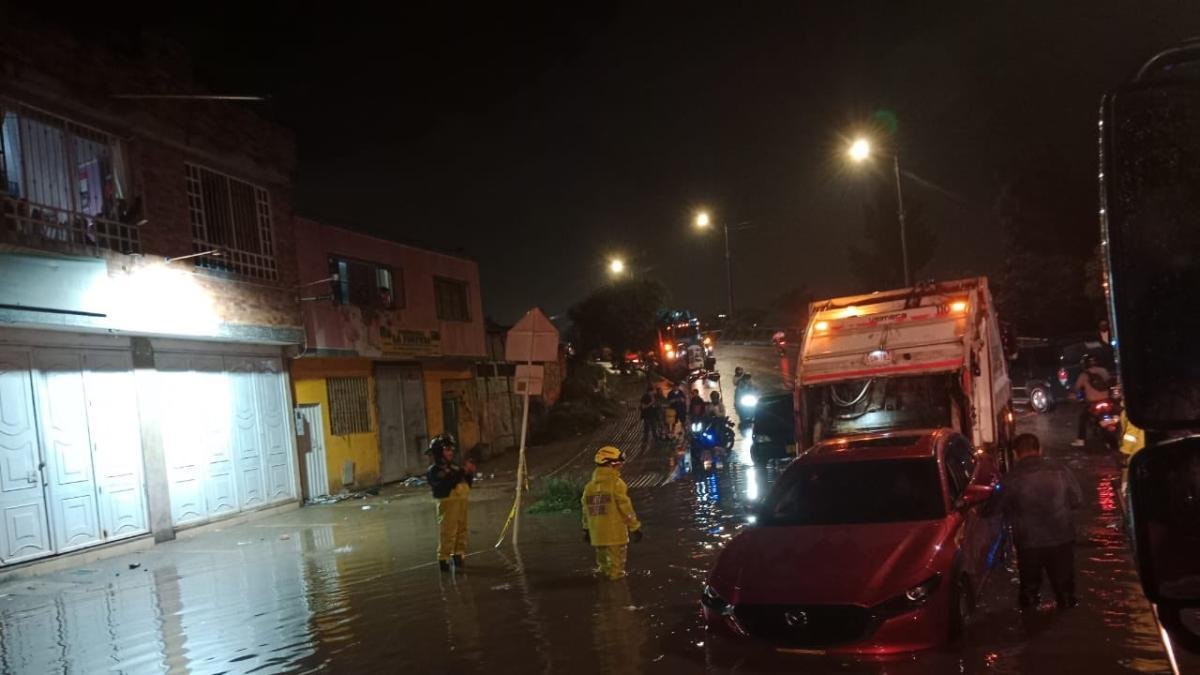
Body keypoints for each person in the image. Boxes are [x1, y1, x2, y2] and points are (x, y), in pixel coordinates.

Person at [999, 433, 1083, 609]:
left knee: (1029, 594)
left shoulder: (1010, 478)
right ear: (1040, 449)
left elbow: (996, 509)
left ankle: (1029, 629)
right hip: (1062, 539)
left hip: (1028, 544)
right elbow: (1077, 500)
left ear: (1015, 453)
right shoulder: (1061, 471)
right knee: (1066, 594)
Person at [581, 446, 643, 580]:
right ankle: (618, 598)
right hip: (615, 536)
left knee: (603, 569)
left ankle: (604, 595)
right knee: (617, 573)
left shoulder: (589, 487)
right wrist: (635, 527)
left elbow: (586, 511)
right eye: (619, 463)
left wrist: (586, 529)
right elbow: (626, 508)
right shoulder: (616, 484)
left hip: (598, 536)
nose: (621, 466)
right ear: (611, 464)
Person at [426, 434, 475, 571]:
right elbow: (444, 485)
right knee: (448, 532)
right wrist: (461, 473)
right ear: (438, 452)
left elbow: (466, 485)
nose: (451, 452)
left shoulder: (455, 468)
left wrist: (469, 474)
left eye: (451, 449)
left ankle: (459, 555)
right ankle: (444, 560)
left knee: (462, 529)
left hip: (461, 503)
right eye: (447, 449)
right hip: (448, 505)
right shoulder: (433, 471)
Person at [1072, 354, 1113, 447]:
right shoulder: (1104, 371)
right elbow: (1110, 381)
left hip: (1093, 403)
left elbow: (1076, 388)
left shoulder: (1084, 375)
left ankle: (1080, 440)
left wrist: (1074, 394)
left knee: (1082, 418)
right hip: (1107, 400)